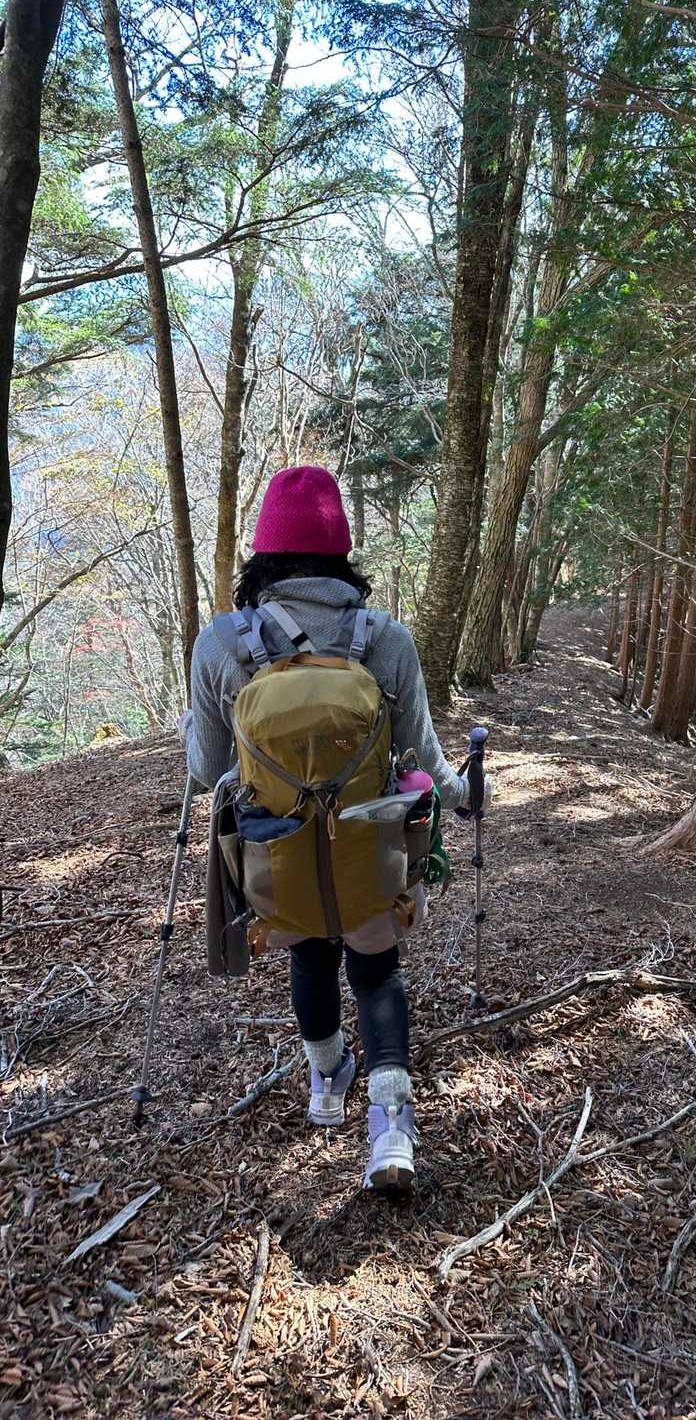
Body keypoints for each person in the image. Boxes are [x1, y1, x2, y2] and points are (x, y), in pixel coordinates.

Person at [183, 465, 477, 1191]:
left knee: (310, 958)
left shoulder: (222, 643)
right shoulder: (386, 640)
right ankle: (391, 1129)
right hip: (368, 850)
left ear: (262, 554)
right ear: (342, 553)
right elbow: (424, 755)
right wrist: (467, 794)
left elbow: (207, 770)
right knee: (376, 972)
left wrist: (198, 724)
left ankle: (325, 1080)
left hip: (276, 855)